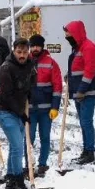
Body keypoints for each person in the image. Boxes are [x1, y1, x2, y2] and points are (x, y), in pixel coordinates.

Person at [0, 38, 36, 189]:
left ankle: (11, 178)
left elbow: (31, 85)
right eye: (19, 52)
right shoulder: (5, 68)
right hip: (6, 111)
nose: (22, 55)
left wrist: (30, 95)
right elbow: (7, 95)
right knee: (19, 146)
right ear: (13, 51)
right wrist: (21, 113)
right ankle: (18, 179)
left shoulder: (30, 65)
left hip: (19, 110)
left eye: (25, 52)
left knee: (15, 146)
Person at [65, 20, 95, 165]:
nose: (67, 38)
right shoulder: (77, 48)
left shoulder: (89, 47)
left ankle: (89, 151)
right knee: (83, 122)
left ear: (76, 34)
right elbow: (77, 68)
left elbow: (89, 71)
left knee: (86, 121)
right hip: (79, 91)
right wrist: (68, 77)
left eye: (69, 35)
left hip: (89, 91)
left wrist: (81, 90)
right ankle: (85, 150)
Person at [28, 35, 63, 176]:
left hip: (46, 109)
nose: (35, 48)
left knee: (45, 137)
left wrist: (55, 107)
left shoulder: (51, 63)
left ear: (42, 46)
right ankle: (28, 164)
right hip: (29, 109)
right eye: (33, 46)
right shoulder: (25, 62)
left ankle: (43, 164)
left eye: (37, 46)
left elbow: (57, 86)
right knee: (28, 138)